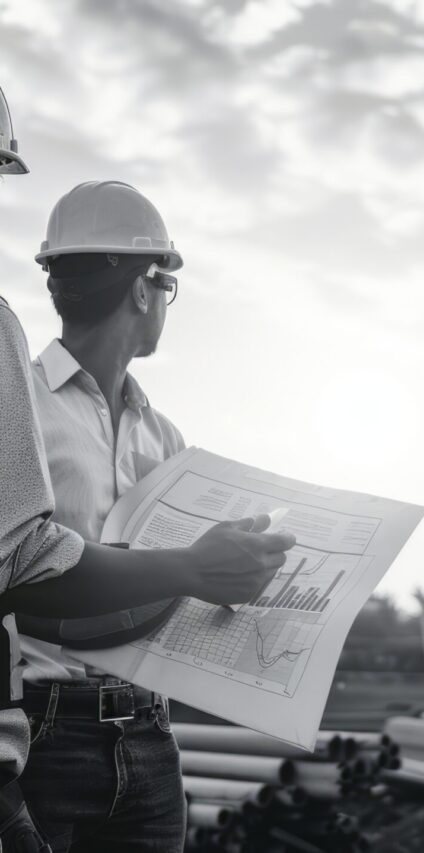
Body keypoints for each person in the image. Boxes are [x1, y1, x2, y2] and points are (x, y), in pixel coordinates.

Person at [0, 146, 294, 848]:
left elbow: (171, 593)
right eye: (168, 287)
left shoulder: (164, 437)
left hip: (150, 732)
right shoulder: (22, 411)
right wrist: (191, 567)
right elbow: (22, 575)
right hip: (43, 730)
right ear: (145, 287)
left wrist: (230, 567)